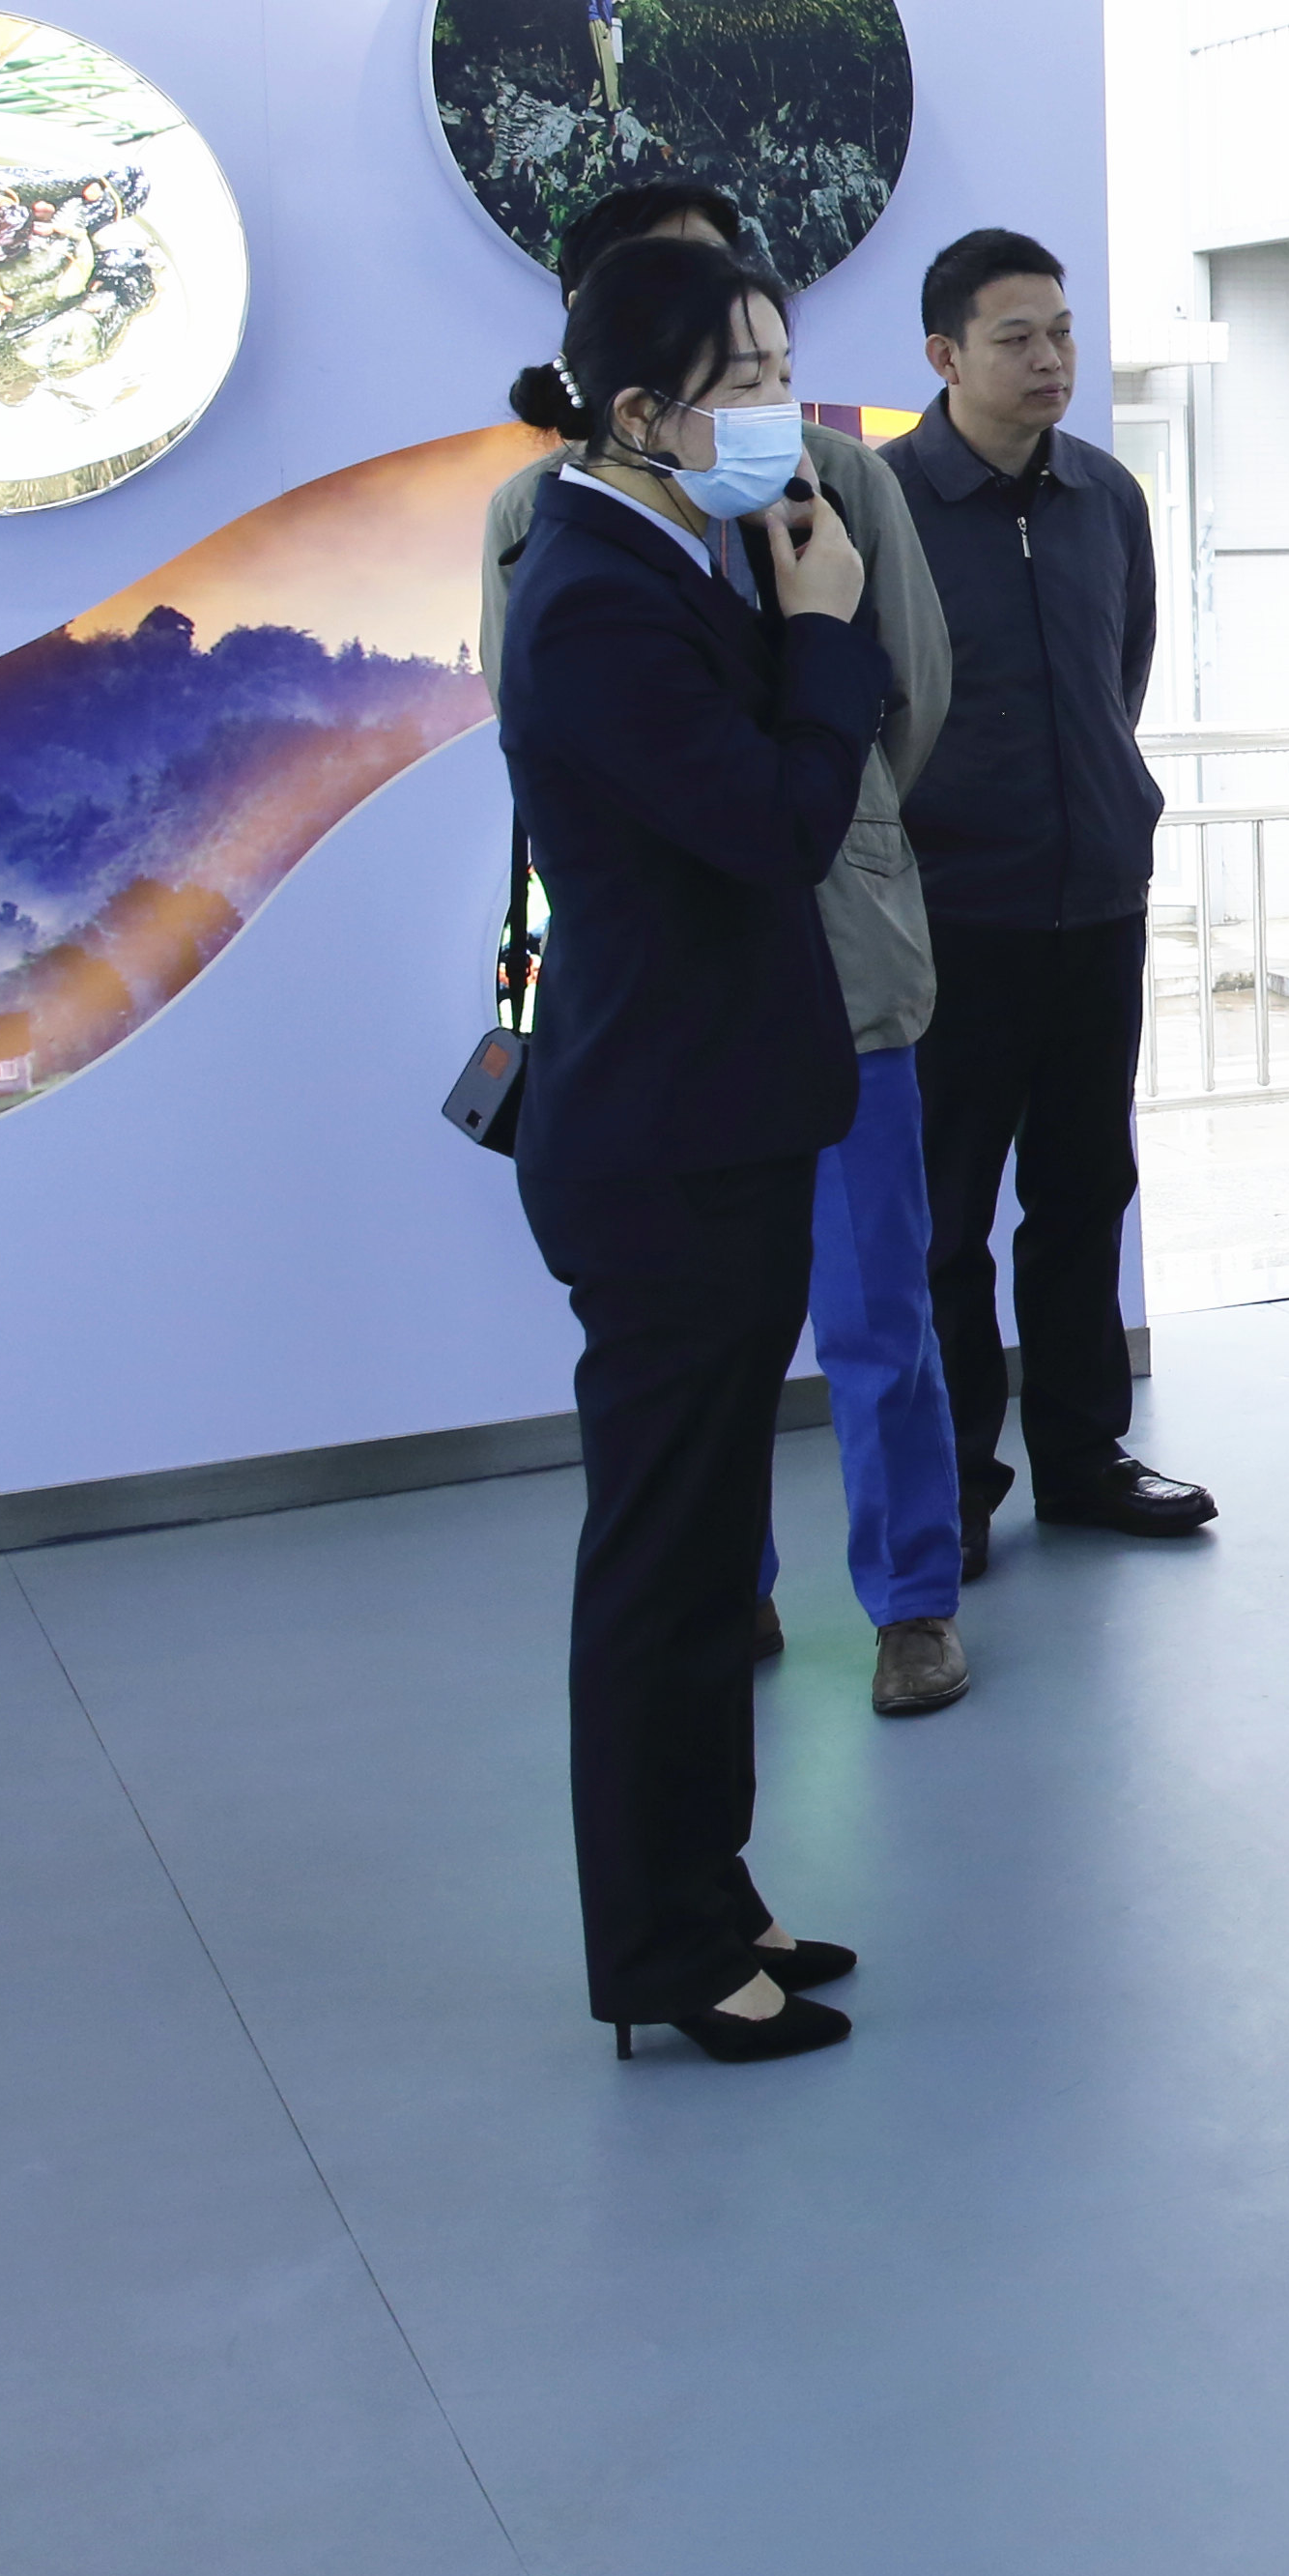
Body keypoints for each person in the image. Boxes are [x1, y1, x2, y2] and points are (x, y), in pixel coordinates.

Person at [481, 175, 974, 1717]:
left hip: (844, 960)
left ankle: (912, 1599)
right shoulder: (548, 522)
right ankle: (731, 1586)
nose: (760, 382)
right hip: (683, 994)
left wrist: (843, 826)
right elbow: (557, 742)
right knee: (708, 1341)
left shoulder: (839, 477)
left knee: (877, 1308)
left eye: (765, 346)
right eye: (723, 349)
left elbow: (911, 688)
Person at [493, 237, 879, 2061]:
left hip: (713, 1119)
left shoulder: (667, 549)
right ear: (641, 414)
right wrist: (827, 633)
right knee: (665, 1565)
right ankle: (660, 1952)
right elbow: (778, 825)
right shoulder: (593, 595)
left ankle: (714, 1893)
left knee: (713, 1552)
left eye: (784, 366)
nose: (784, 409)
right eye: (749, 381)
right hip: (663, 1145)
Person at [884, 229, 1217, 1563]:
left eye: (1062, 332)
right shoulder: (885, 503)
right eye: (1016, 337)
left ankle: (1084, 1457)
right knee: (946, 1215)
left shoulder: (1106, 495)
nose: (1049, 359)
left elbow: (1117, 674)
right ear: (945, 354)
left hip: (1096, 903)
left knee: (1085, 1192)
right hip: (949, 914)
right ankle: (958, 1482)